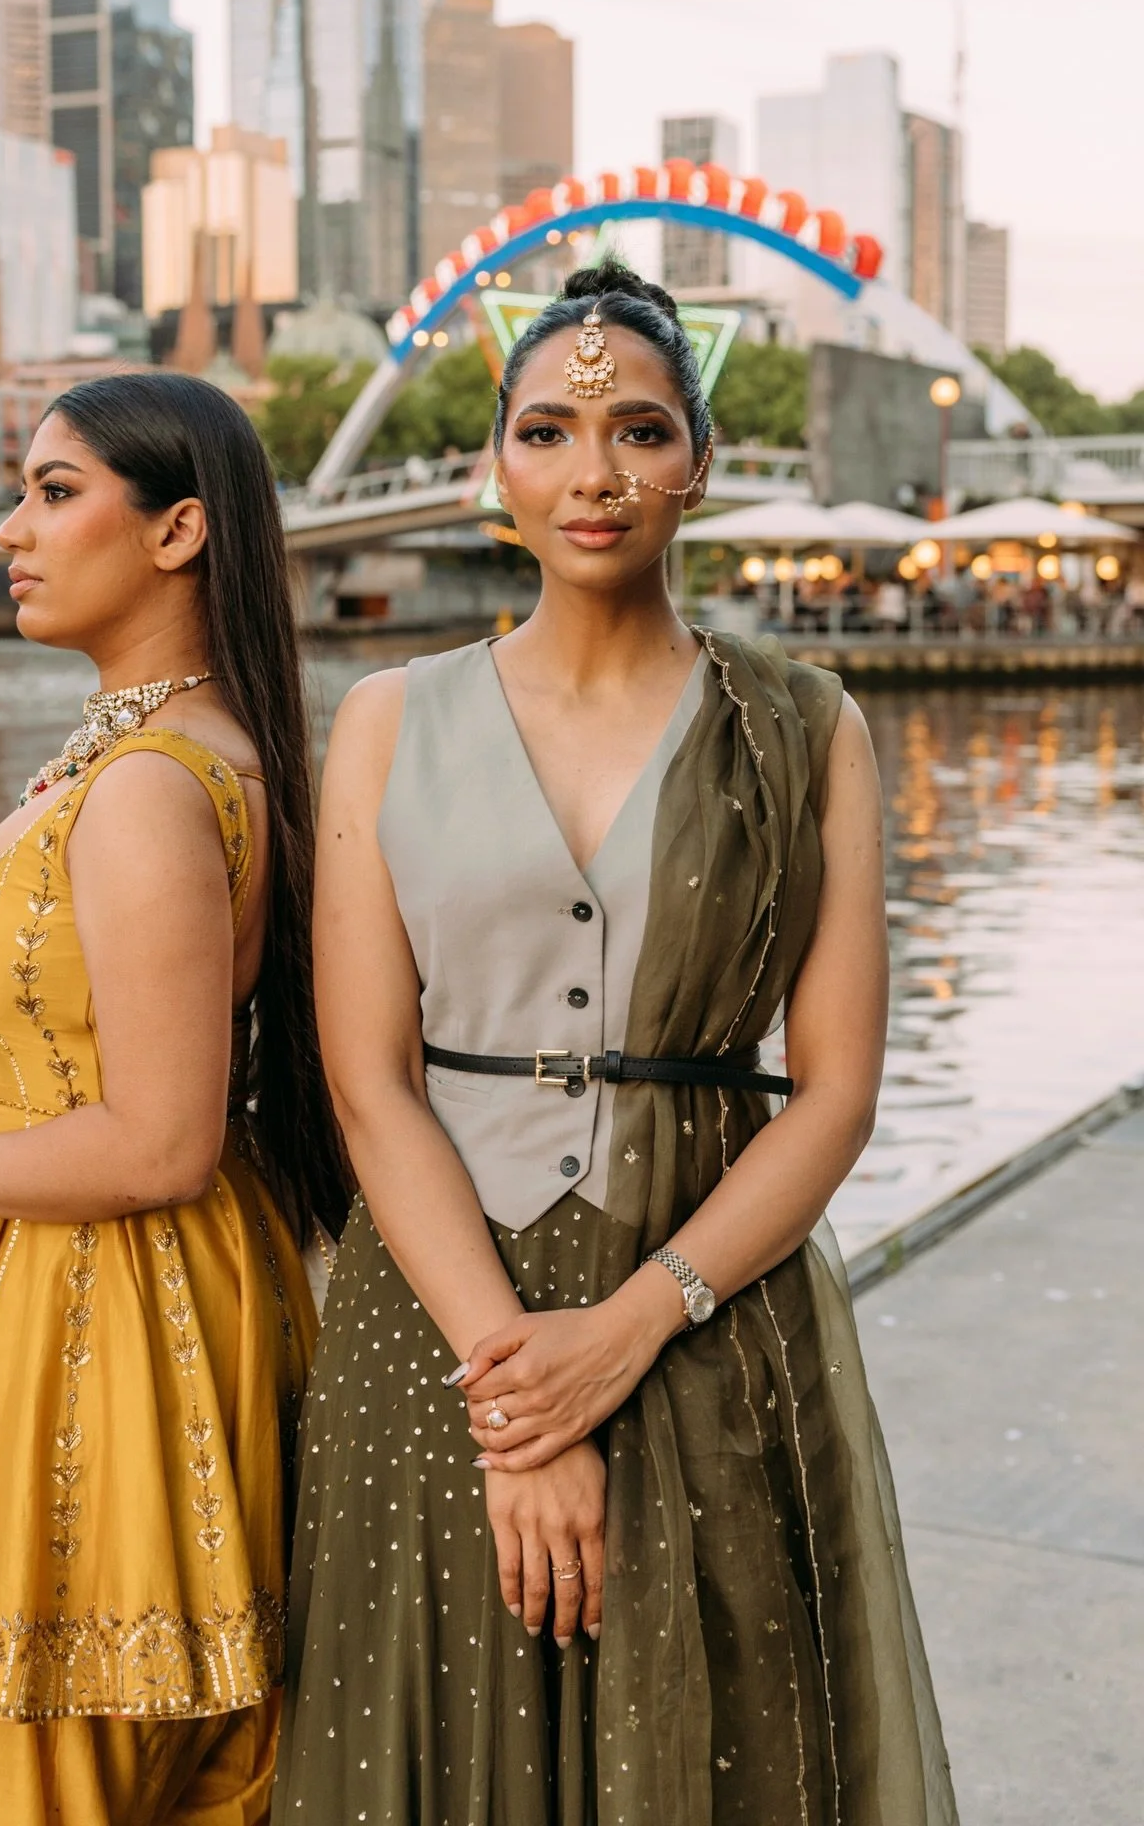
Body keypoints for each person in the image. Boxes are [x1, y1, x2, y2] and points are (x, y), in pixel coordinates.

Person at [276, 256, 958, 1824]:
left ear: (702, 467)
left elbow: (838, 1092)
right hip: (437, 1344)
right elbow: (368, 1085)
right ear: (488, 467)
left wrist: (638, 1325)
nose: (596, 474)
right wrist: (514, 1403)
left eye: (642, 431)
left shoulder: (810, 726)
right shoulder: (389, 715)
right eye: (549, 433)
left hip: (711, 1335)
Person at [0, 372, 349, 1826]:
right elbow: (72, 1037)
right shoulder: (140, 754)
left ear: (179, 531)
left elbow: (160, 1138)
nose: (10, 530)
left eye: (57, 494)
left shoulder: (152, 787)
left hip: (107, 1319)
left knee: (22, 1776)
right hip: (74, 1291)